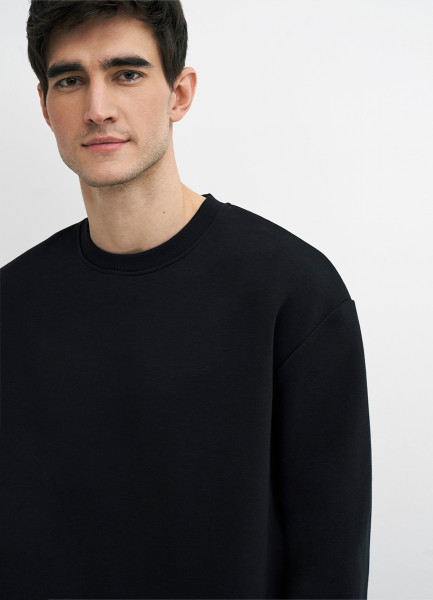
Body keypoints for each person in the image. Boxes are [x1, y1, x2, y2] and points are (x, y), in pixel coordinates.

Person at [0, 1, 372, 598]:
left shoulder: (294, 294)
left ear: (179, 93)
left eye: (126, 73)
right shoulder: (11, 307)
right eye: (70, 80)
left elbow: (329, 565)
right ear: (45, 107)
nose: (98, 108)